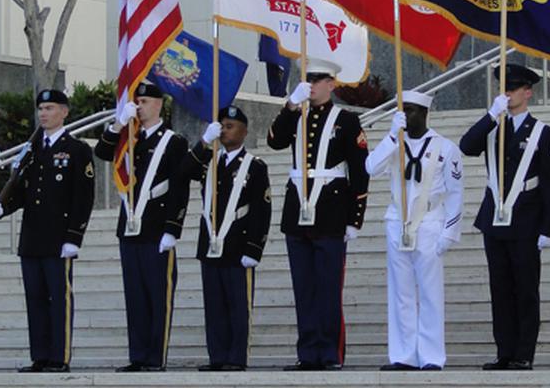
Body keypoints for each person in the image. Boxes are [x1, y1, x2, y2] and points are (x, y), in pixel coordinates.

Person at [267, 58, 369, 371]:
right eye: (307, 79)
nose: (311, 84)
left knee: (327, 287)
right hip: (298, 209)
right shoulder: (296, 114)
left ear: (332, 83)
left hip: (331, 211)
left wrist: (355, 218)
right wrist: (290, 106)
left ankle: (330, 353)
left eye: (317, 79)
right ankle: (308, 352)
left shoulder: (347, 120)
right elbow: (274, 141)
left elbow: (359, 171)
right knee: (304, 288)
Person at [0, 89, 95, 373]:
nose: (43, 113)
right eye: (41, 108)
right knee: (35, 299)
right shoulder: (32, 150)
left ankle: (60, 357)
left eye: (50, 107)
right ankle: (41, 356)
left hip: (59, 239)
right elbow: (22, 191)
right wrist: (3, 207)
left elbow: (83, 198)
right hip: (32, 238)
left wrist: (74, 237)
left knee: (59, 299)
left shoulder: (77, 149)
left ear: (64, 112)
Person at [459, 63, 550, 371]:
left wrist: (548, 226)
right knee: (500, 289)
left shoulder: (543, 133)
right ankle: (504, 351)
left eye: (513, 88)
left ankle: (523, 353)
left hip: (527, 219)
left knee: (525, 289)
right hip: (495, 218)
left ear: (527, 92)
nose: (507, 93)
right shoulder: (493, 127)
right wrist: (492, 114)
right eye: (504, 88)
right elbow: (466, 146)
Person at [93, 81, 189, 372]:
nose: (140, 106)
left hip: (157, 227)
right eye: (137, 101)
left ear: (159, 105)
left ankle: (155, 357)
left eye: (145, 101)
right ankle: (138, 356)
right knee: (134, 296)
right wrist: (116, 125)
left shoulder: (173, 142)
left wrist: (173, 228)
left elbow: (179, 188)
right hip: (130, 226)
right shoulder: (127, 138)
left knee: (157, 295)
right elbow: (102, 153)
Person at [366, 91, 464, 371]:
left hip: (430, 222)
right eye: (402, 110)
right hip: (398, 221)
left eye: (410, 110)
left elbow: (456, 193)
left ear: (423, 113)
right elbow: (370, 168)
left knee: (431, 294)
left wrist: (450, 232)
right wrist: (390, 136)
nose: (405, 116)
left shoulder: (445, 147)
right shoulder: (394, 144)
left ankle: (432, 356)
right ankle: (403, 355)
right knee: (401, 294)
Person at [180, 105, 271, 372]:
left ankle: (236, 357)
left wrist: (254, 248)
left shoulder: (254, 166)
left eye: (230, 126)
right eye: (222, 126)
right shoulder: (209, 162)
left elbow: (261, 210)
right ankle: (217, 356)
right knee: (215, 306)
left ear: (244, 132)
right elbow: (183, 172)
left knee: (237, 306)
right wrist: (204, 142)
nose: (225, 130)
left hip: (238, 245)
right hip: (210, 244)